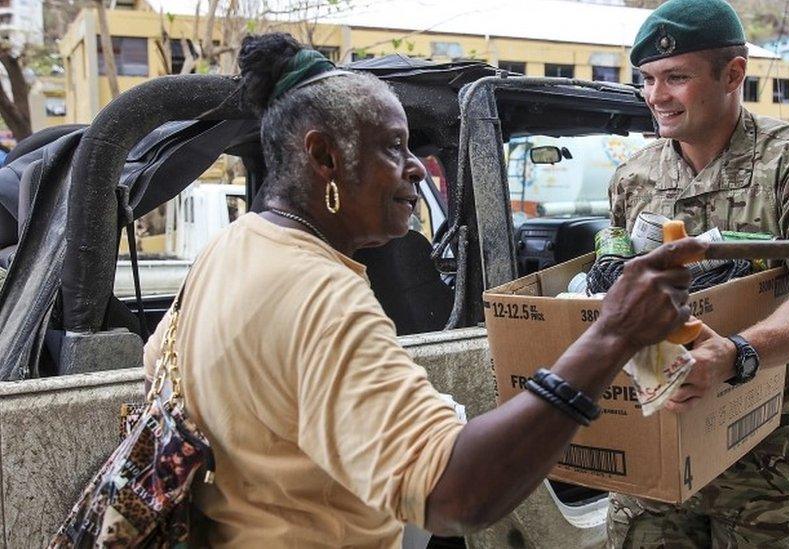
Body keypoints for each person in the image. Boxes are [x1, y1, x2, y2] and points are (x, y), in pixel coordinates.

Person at [142, 32, 705, 548]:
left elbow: (166, 368)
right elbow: (453, 496)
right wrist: (612, 334)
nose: (416, 168)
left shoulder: (232, 247)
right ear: (323, 157)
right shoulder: (319, 293)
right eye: (394, 146)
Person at [605, 1, 789, 547]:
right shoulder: (633, 176)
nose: (656, 96)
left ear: (733, 74)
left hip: (762, 463)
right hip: (653, 466)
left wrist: (737, 355)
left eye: (676, 77)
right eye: (648, 79)